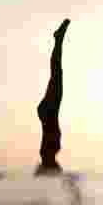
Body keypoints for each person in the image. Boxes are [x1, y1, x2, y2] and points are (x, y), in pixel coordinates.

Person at [36, 19, 71, 174]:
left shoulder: (47, 154)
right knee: (57, 73)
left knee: (57, 73)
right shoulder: (48, 154)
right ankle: (58, 40)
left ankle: (58, 41)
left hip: (50, 112)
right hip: (49, 112)